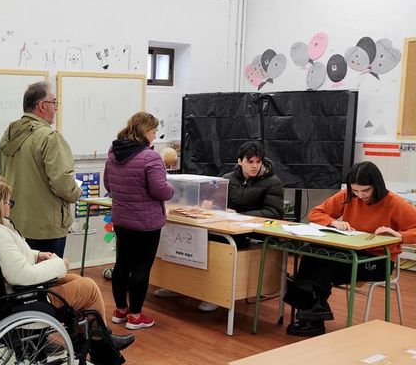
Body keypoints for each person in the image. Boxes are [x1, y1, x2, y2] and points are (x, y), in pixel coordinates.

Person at [0, 176, 135, 352]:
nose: (10, 206)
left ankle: (91, 336)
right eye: (8, 202)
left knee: (73, 279)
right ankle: (101, 343)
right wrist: (58, 264)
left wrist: (37, 255)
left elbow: (9, 257)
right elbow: (21, 275)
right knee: (88, 287)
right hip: (21, 298)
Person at [284, 161, 416, 337]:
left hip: (377, 262)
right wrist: (334, 222)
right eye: (355, 190)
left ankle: (312, 314)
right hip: (351, 252)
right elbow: (315, 213)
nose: (360, 195)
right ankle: (314, 311)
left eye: (365, 190)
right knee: (313, 251)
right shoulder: (348, 195)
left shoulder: (394, 202)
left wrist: (399, 236)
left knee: (320, 264)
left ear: (377, 185)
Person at [158, 141, 285, 312]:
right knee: (193, 237)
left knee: (220, 246)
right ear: (240, 161)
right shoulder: (227, 178)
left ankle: (216, 294)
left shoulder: (273, 182)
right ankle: (178, 285)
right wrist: (209, 204)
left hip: (248, 231)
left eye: (258, 162)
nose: (255, 166)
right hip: (226, 225)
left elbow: (274, 212)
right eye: (250, 161)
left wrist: (239, 215)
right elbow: (217, 202)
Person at [104, 112, 174, 330]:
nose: (155, 135)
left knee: (122, 264)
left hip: (122, 219)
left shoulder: (114, 152)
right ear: (145, 131)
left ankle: (120, 310)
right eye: (154, 131)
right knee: (142, 268)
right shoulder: (150, 157)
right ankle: (135, 316)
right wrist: (172, 189)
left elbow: (108, 184)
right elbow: (160, 190)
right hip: (146, 223)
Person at [0, 82, 81, 257]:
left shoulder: (9, 134)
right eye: (54, 103)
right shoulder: (49, 137)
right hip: (45, 226)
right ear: (42, 106)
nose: (56, 108)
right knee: (49, 278)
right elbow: (63, 184)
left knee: (24, 278)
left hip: (15, 222)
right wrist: (77, 193)